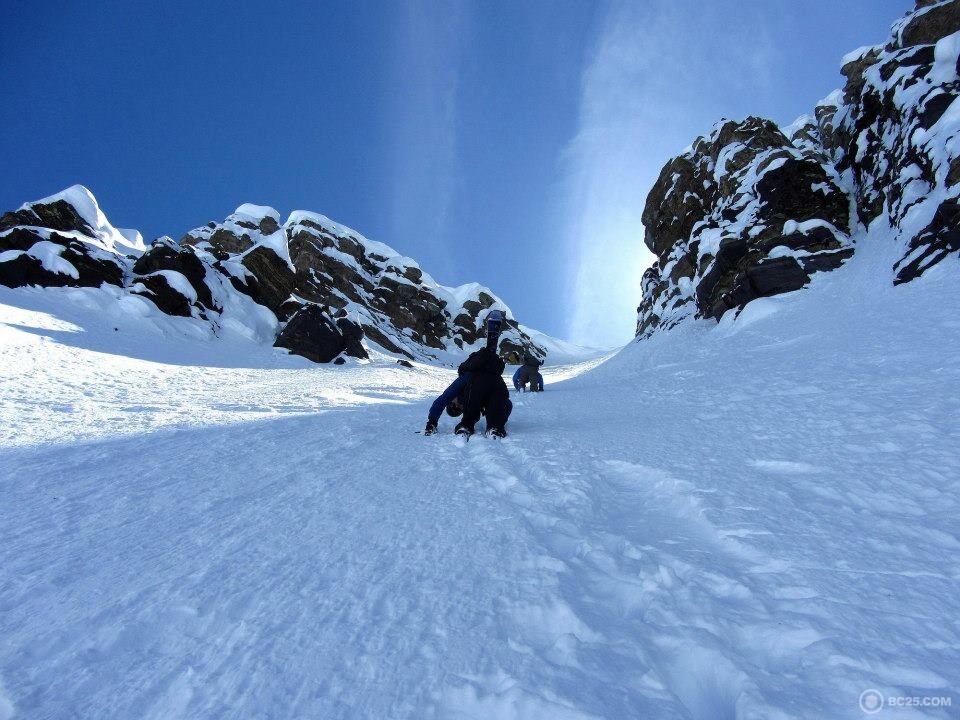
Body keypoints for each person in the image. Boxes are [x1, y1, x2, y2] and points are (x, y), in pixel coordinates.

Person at [423, 310, 513, 438]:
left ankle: (470, 426)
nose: (457, 405)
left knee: (486, 368)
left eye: (452, 405)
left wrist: (432, 422)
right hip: (495, 381)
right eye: (458, 409)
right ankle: (494, 427)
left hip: (482, 376)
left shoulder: (464, 380)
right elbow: (507, 404)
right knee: (498, 399)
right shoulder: (467, 395)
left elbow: (441, 400)